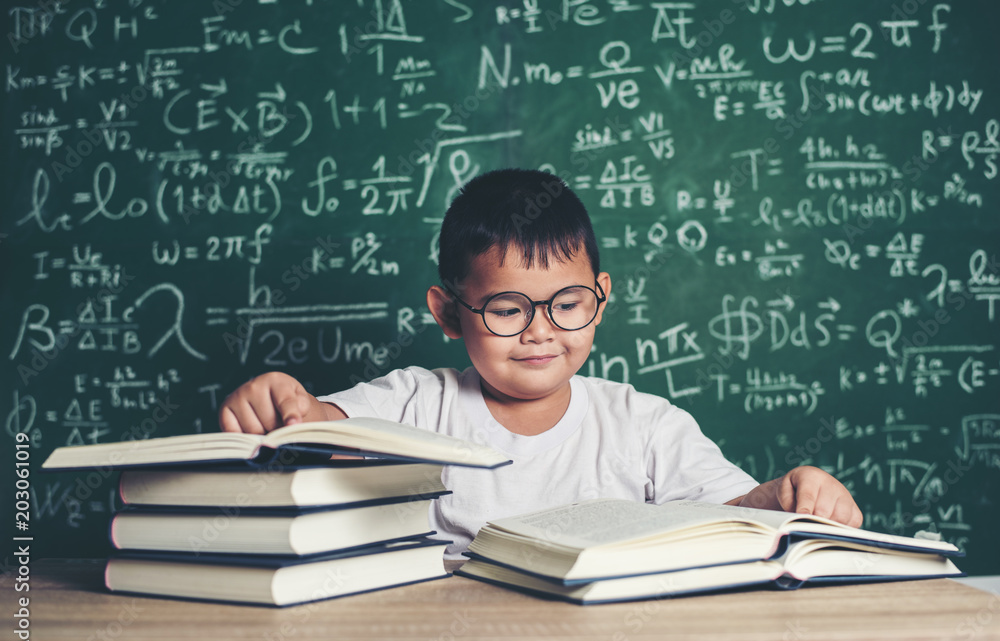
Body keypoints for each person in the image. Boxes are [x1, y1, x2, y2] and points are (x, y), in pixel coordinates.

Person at [220, 168, 863, 559]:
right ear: (448, 314)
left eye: (567, 304)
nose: (540, 333)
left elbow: (731, 511)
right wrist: (290, 408)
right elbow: (324, 426)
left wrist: (783, 495)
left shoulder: (644, 424)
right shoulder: (415, 401)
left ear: (601, 299)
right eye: (506, 309)